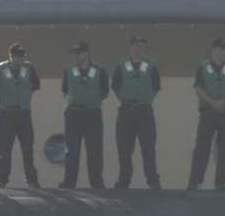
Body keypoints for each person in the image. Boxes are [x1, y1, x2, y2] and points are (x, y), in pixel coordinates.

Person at [0, 43, 41, 188]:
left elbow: (35, 85)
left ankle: (31, 180)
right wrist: (1, 97)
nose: (20, 59)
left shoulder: (29, 68)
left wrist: (24, 95)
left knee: (27, 148)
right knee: (4, 149)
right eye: (17, 56)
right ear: (10, 56)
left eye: (22, 56)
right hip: (6, 114)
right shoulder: (0, 69)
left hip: (24, 113)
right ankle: (1, 180)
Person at [188, 38, 225, 190]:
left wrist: (223, 102)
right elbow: (198, 88)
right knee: (202, 147)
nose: (224, 53)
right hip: (207, 112)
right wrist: (212, 102)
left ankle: (220, 183)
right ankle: (195, 182)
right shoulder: (203, 67)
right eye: (222, 49)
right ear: (215, 50)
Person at [111, 34, 162, 189]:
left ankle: (152, 180)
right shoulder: (121, 65)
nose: (139, 49)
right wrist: (125, 99)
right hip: (126, 111)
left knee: (148, 147)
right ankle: (124, 179)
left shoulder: (151, 66)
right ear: (130, 47)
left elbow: (156, 86)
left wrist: (145, 99)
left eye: (141, 46)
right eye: (136, 46)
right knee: (124, 148)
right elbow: (115, 86)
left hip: (145, 111)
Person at [59, 41, 108, 189]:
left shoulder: (99, 70)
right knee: (71, 150)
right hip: (74, 113)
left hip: (92, 113)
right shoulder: (69, 70)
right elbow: (65, 90)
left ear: (87, 53)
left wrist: (91, 100)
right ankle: (69, 182)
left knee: (94, 150)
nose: (77, 56)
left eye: (79, 53)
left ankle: (96, 182)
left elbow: (104, 91)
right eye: (74, 54)